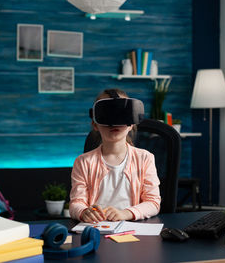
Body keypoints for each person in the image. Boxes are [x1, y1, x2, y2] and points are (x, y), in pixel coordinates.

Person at [69, 88, 161, 222]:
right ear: (95, 124)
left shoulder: (145, 158)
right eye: (107, 114)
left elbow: (153, 203)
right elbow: (76, 203)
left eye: (121, 114)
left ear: (131, 124)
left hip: (132, 231)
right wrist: (84, 212)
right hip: (96, 229)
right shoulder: (83, 162)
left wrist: (126, 213)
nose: (114, 122)